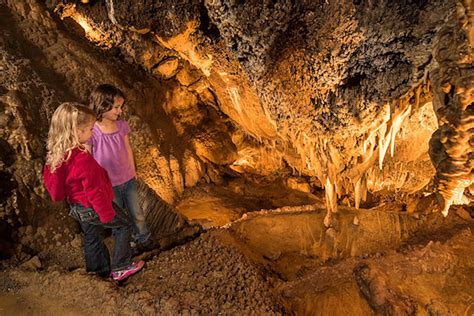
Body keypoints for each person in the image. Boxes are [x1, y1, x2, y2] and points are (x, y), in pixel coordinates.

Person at [43, 102, 144, 282]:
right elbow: (94, 190)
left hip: (77, 207)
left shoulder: (58, 156)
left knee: (92, 237)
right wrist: (106, 214)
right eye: (90, 129)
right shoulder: (82, 159)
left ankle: (97, 273)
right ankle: (121, 267)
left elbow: (57, 193)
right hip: (93, 206)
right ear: (77, 132)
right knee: (124, 225)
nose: (92, 132)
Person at [87, 84, 154, 254]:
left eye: (121, 107)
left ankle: (144, 239)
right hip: (109, 184)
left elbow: (128, 148)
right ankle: (125, 247)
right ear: (102, 106)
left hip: (128, 178)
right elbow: (88, 158)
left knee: (137, 212)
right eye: (116, 107)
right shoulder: (92, 131)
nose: (120, 111)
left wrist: (133, 170)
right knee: (117, 218)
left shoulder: (122, 125)